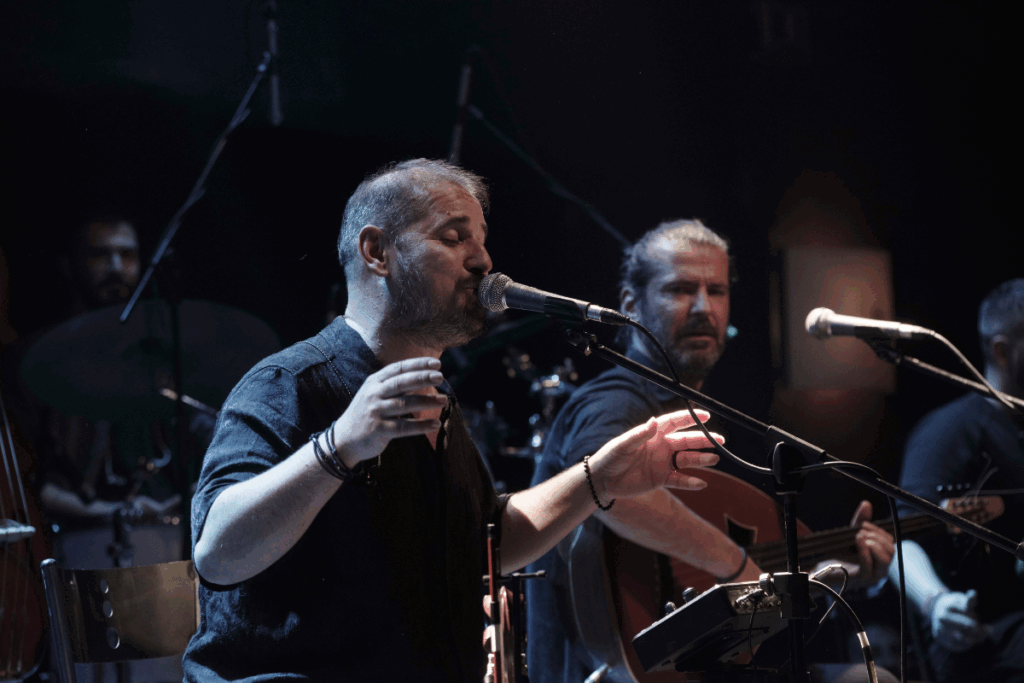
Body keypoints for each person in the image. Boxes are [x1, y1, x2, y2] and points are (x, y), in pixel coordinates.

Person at [182, 159, 726, 682]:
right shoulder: (290, 383)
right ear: (377, 252)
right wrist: (339, 445)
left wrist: (599, 479)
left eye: (482, 240)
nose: (483, 261)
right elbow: (216, 553)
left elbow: (487, 540)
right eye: (453, 237)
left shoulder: (436, 397)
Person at [527, 219, 896, 682]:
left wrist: (833, 577)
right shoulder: (615, 400)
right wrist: (732, 562)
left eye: (716, 290)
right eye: (681, 289)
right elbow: (609, 490)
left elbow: (732, 586)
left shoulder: (707, 415)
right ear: (630, 304)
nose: (704, 307)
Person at [891, 278, 1024, 683]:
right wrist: (935, 601)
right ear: (1001, 350)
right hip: (985, 639)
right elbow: (901, 538)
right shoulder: (949, 433)